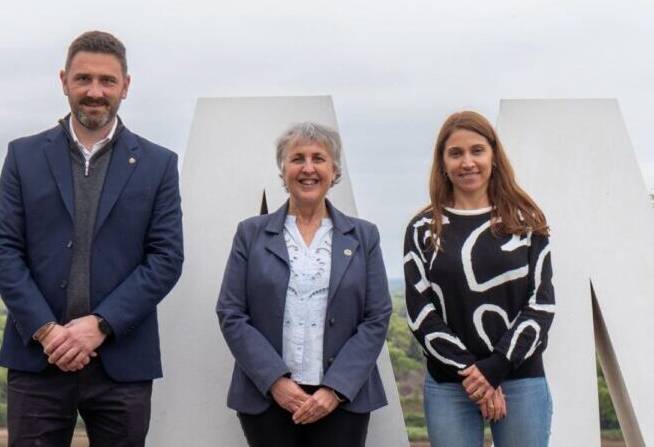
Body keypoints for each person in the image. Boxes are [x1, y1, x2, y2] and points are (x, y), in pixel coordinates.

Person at [0, 30, 184, 447]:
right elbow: (4, 251)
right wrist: (47, 331)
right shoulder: (23, 156)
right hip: (37, 359)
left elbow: (166, 258)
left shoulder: (159, 164)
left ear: (125, 86)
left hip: (122, 363)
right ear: (64, 81)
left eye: (107, 81)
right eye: (84, 79)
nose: (95, 91)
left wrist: (99, 325)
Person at [216, 122, 393, 447]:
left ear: (334, 169)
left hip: (342, 400)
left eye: (319, 158)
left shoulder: (364, 236)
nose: (308, 168)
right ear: (283, 169)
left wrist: (334, 388)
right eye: (297, 158)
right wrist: (275, 382)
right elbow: (231, 312)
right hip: (266, 398)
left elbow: (377, 316)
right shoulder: (250, 234)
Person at [404, 111, 554, 446]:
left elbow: (541, 305)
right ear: (442, 163)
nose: (467, 162)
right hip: (448, 385)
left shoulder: (527, 222)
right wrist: (475, 373)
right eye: (456, 153)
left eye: (477, 150)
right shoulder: (422, 229)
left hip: (521, 379)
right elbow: (420, 313)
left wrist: (494, 368)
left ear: (494, 156)